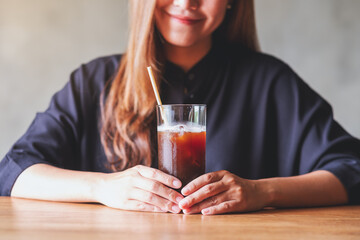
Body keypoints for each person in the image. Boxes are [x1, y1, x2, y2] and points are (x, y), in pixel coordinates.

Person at [1, 0, 360, 215]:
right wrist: (103, 189)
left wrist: (261, 192)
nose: (187, 1)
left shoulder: (271, 82)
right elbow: (13, 171)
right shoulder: (94, 81)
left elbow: (352, 169)